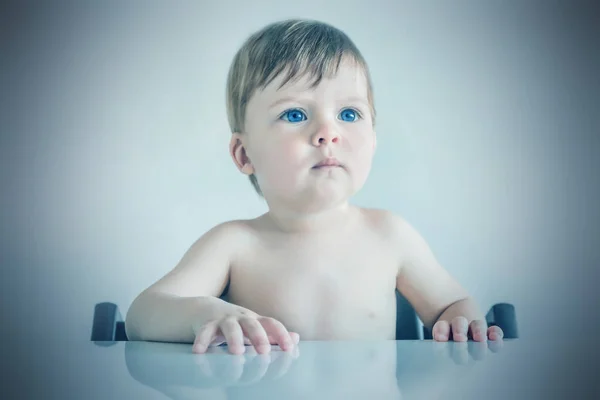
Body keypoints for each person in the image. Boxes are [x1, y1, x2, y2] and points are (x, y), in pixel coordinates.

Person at [125, 19, 504, 355]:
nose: (328, 133)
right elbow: (143, 314)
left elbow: (450, 304)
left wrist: (460, 319)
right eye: (295, 114)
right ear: (244, 154)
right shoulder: (236, 243)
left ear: (373, 140)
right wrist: (206, 313)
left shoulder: (390, 235)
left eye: (349, 114)